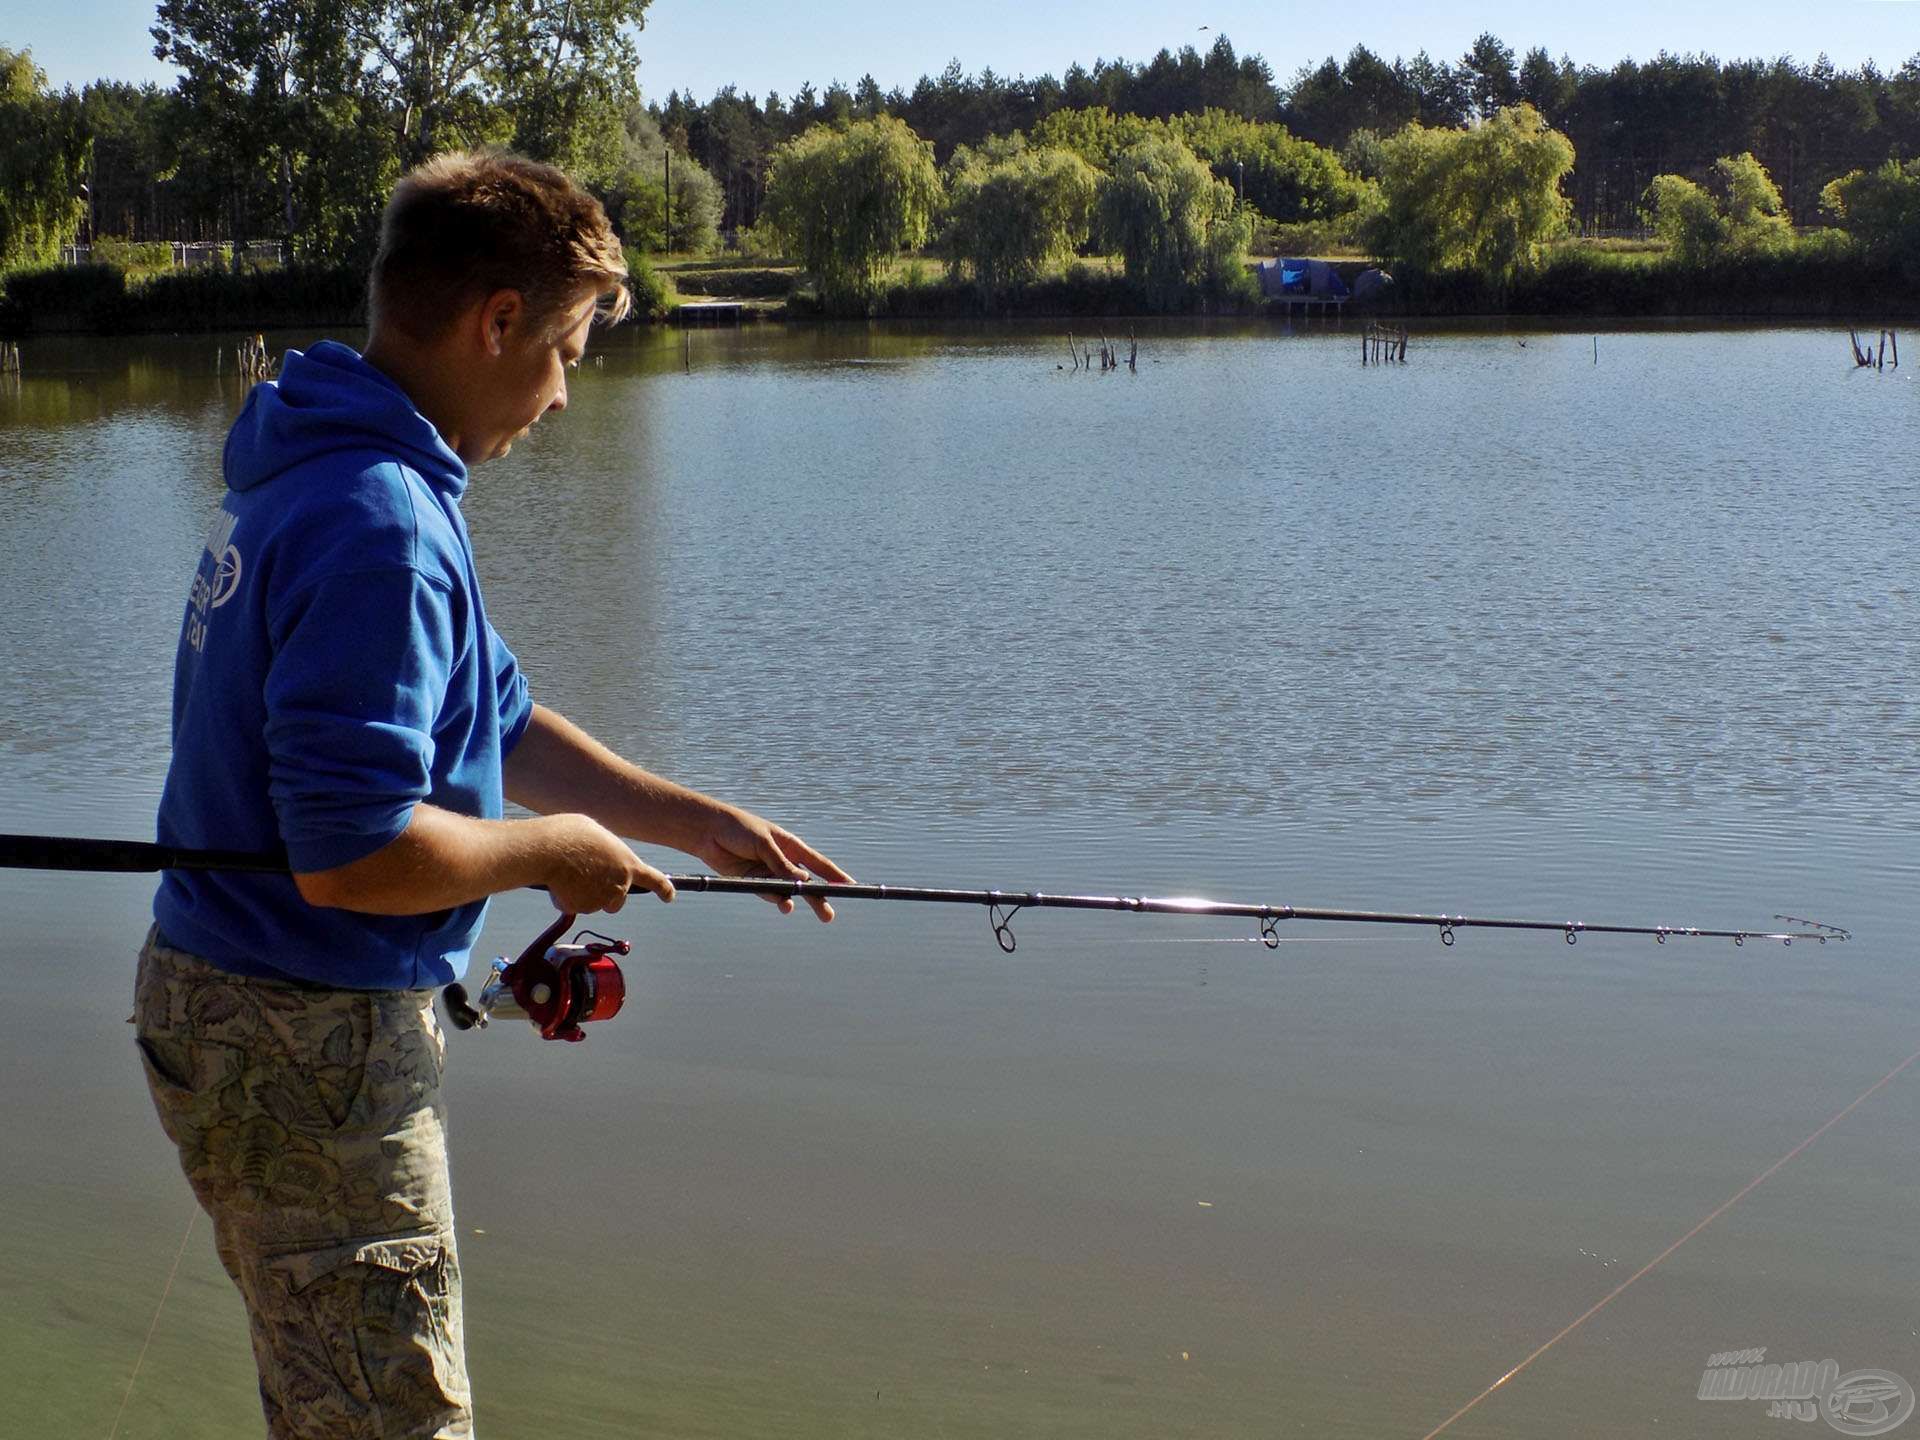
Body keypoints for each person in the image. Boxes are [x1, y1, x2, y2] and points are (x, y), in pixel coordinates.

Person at [134, 149, 850, 1439]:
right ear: (497, 321)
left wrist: (686, 820)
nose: (570, 392)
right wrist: (546, 854)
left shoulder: (331, 464)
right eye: (569, 347)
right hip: (310, 1041)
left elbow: (495, 710)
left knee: (331, 1402)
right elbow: (350, 855)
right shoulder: (382, 524)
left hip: (241, 1010)